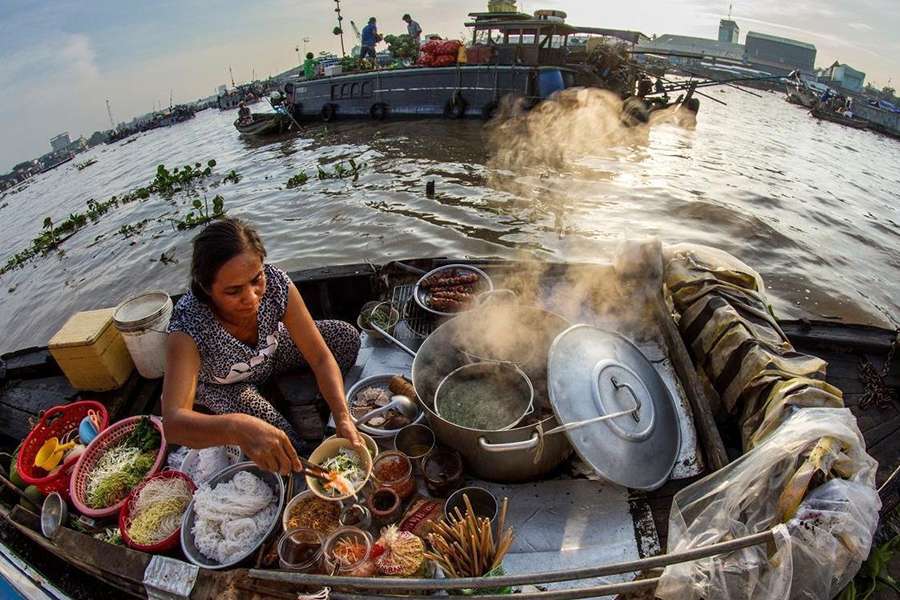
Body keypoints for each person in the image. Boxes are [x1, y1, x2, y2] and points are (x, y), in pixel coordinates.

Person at [161, 218, 364, 475]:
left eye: (256, 279)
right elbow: (174, 423)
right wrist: (237, 427)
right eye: (233, 291)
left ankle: (275, 387)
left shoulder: (277, 284)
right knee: (283, 442)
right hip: (226, 385)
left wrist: (342, 414)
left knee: (345, 338)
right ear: (206, 289)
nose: (251, 297)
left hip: (272, 353)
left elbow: (321, 358)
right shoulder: (188, 325)